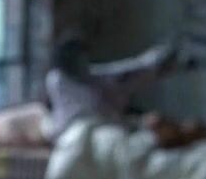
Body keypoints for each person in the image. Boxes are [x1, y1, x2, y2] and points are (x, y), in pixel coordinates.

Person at [42, 36, 178, 140]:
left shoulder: (89, 78)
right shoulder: (58, 80)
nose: (83, 62)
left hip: (95, 131)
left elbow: (118, 73)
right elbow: (94, 104)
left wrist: (151, 62)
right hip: (77, 136)